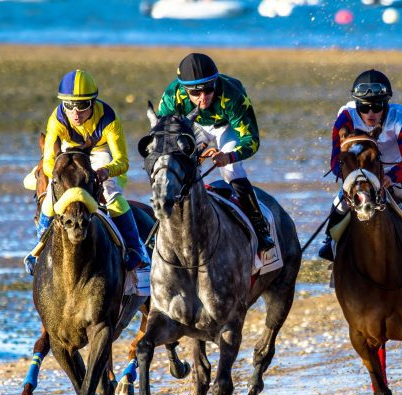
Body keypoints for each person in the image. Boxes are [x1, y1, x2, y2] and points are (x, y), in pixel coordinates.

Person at [318, 69, 402, 261]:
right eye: (364, 108)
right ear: (356, 105)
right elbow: (335, 160)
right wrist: (351, 178)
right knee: (340, 201)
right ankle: (329, 240)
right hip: (360, 172)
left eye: (376, 106)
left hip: (393, 171)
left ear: (386, 103)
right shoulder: (345, 116)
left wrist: (392, 177)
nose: (370, 113)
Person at [23, 69, 150, 275]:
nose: (75, 113)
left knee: (111, 195)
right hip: (67, 153)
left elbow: (123, 161)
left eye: (82, 106)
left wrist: (105, 172)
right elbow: (48, 161)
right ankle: (39, 249)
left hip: (99, 154)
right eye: (69, 105)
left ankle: (136, 248)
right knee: (49, 199)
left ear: (93, 102)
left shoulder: (109, 119)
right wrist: (56, 175)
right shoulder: (56, 119)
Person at [156, 52, 274, 252]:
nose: (203, 98)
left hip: (226, 127)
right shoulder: (171, 97)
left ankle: (259, 225)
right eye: (195, 93)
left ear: (215, 82)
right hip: (193, 127)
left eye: (209, 89)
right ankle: (161, 225)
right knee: (176, 168)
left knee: (231, 170)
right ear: (184, 90)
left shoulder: (233, 95)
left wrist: (228, 156)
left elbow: (251, 140)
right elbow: (164, 137)